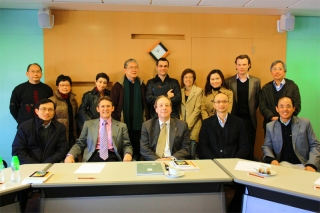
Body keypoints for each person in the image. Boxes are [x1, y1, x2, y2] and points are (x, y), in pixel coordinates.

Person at [198, 92, 249, 213]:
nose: (221, 104)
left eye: (224, 101)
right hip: (213, 164)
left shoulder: (239, 122)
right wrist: (215, 162)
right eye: (218, 102)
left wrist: (233, 162)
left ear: (229, 104)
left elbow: (245, 146)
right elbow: (203, 147)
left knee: (243, 187)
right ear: (214, 105)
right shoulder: (207, 123)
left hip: (234, 164)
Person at [65, 96, 133, 163]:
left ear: (112, 108)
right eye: (102, 106)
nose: (105, 109)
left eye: (108, 106)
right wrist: (70, 155)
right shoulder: (88, 125)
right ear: (98, 109)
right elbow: (80, 144)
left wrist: (128, 153)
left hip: (112, 157)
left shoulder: (121, 126)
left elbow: (126, 145)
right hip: (92, 156)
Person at [262, 96, 319, 172]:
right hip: (281, 165)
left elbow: (315, 145)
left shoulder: (305, 123)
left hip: (303, 165)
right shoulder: (270, 126)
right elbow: (267, 146)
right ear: (277, 109)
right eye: (281, 106)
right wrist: (272, 160)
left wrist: (311, 164)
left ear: (293, 108)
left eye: (288, 106)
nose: (285, 109)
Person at [110, 59, 148, 160]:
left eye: (136, 67)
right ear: (125, 70)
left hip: (139, 126)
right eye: (131, 67)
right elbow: (112, 106)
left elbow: (146, 104)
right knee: (124, 153)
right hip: (123, 125)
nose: (134, 70)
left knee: (138, 153)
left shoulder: (142, 85)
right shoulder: (118, 86)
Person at [225, 55, 261, 160]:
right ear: (236, 65)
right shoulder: (229, 81)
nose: (242, 67)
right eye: (239, 64)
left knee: (249, 146)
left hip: (250, 119)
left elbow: (258, 100)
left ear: (249, 65)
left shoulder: (256, 81)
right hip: (234, 118)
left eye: (244, 64)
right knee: (234, 145)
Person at [12, 99, 69, 164]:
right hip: (29, 166)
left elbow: (62, 150)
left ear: (54, 112)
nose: (47, 112)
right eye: (43, 109)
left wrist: (47, 163)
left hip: (51, 164)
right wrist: (35, 165)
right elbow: (18, 150)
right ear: (36, 111)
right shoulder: (25, 127)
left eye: (50, 109)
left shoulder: (60, 128)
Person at [140, 95, 190, 161]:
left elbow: (186, 148)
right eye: (161, 105)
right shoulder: (147, 125)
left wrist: (171, 159)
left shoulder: (182, 125)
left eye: (167, 105)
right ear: (156, 109)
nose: (164, 108)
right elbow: (144, 149)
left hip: (173, 161)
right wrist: (158, 160)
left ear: (171, 109)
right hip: (154, 161)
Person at [259, 60, 301, 131]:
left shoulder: (293, 86)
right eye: (274, 69)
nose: (277, 71)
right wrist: (272, 117)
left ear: (284, 71)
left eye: (280, 69)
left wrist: (284, 118)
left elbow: (297, 105)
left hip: (289, 124)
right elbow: (262, 106)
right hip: (270, 124)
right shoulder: (265, 88)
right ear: (271, 72)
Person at [49, 75, 78, 149]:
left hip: (72, 134)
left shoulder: (73, 100)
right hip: (58, 135)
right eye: (62, 85)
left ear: (70, 87)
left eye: (67, 85)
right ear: (57, 87)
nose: (65, 87)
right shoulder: (52, 100)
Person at [180, 68, 203, 159]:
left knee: (192, 153)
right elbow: (178, 110)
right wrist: (182, 123)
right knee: (183, 153)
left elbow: (197, 110)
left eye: (190, 77)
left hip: (194, 125)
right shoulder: (180, 91)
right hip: (181, 126)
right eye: (186, 77)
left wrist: (187, 125)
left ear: (194, 79)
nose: (188, 79)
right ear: (182, 78)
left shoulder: (198, 91)